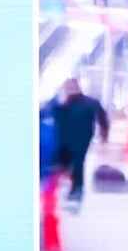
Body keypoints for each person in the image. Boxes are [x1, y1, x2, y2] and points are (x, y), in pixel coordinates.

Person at [46, 78, 108, 207]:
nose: (70, 89)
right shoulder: (61, 103)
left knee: (78, 162)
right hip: (63, 139)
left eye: (72, 86)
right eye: (67, 87)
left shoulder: (90, 102)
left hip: (81, 138)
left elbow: (102, 118)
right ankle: (66, 187)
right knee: (62, 163)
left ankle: (77, 189)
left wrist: (104, 136)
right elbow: (47, 114)